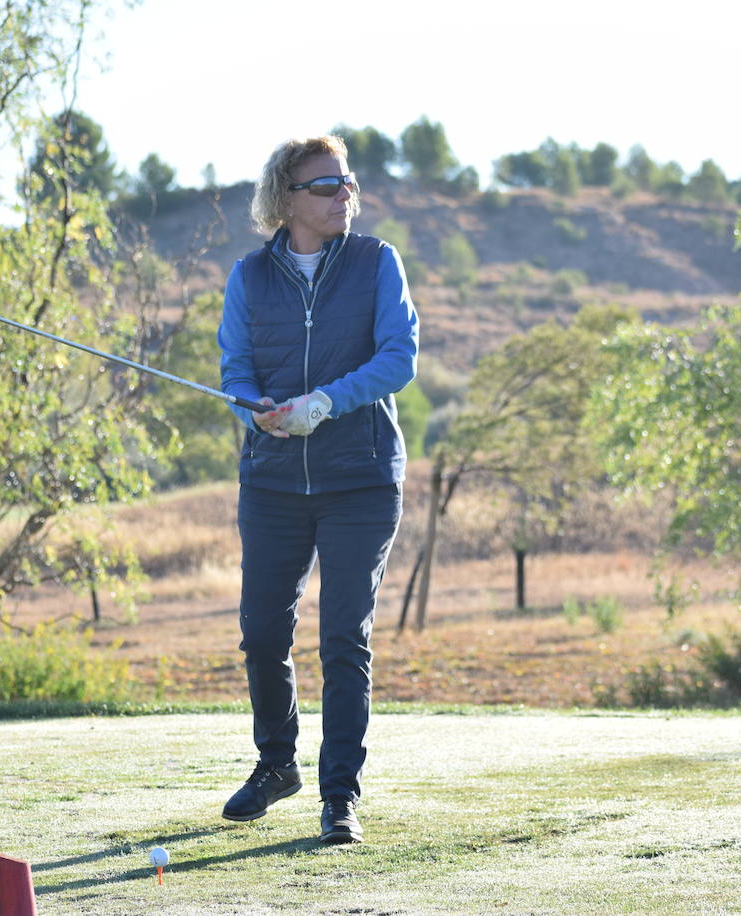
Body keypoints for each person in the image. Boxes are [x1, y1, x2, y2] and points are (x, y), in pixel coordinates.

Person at [216, 135, 419, 844]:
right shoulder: (249, 276)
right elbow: (234, 370)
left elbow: (400, 358)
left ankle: (340, 797)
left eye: (348, 183)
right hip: (271, 483)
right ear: (288, 200)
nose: (344, 195)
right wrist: (253, 406)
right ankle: (277, 765)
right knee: (262, 633)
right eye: (327, 186)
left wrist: (324, 403)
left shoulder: (376, 263)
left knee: (342, 637)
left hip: (359, 479)